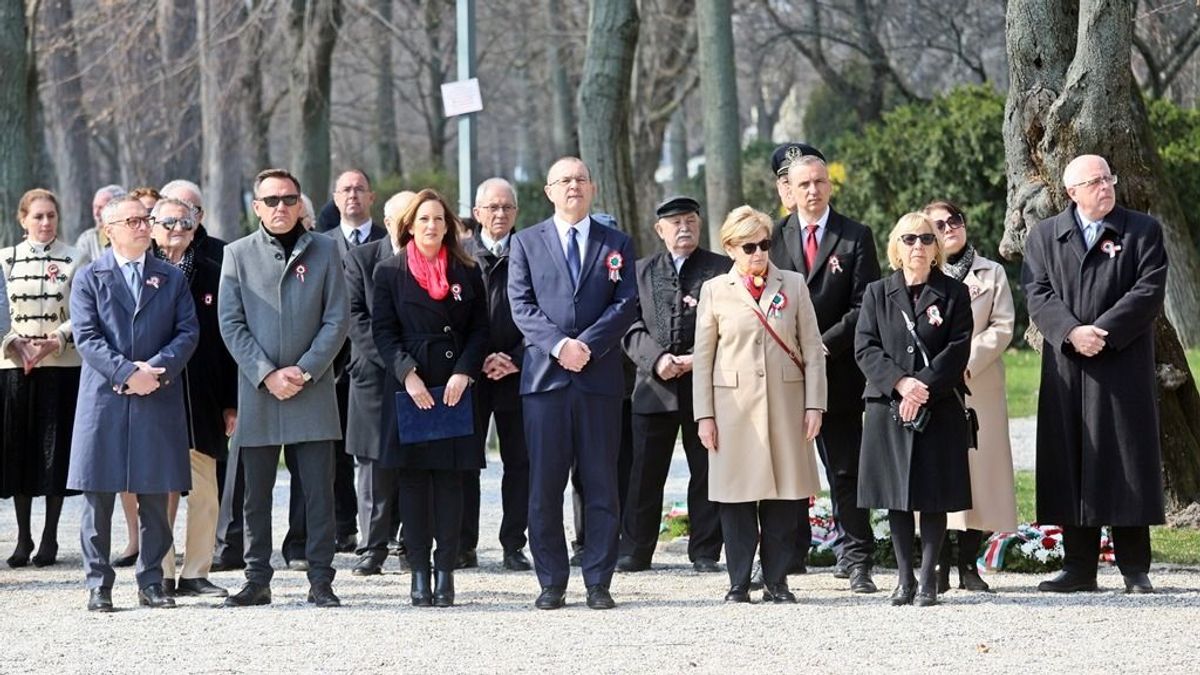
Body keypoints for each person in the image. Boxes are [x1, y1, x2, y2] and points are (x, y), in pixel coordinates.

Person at [1023, 154, 1168, 595]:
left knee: (1127, 460)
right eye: (1095, 181)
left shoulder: (1142, 229)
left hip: (1121, 363)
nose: (1106, 186)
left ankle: (1134, 567)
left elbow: (1148, 289)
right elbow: (1036, 291)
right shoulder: (1045, 235)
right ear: (1072, 193)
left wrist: (1102, 332)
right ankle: (1079, 567)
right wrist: (1070, 332)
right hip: (1069, 366)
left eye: (1109, 178)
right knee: (1072, 460)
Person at [507, 157, 638, 610]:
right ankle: (552, 581)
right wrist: (561, 346)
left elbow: (625, 304)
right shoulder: (525, 242)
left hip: (599, 380)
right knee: (545, 485)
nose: (573, 187)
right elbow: (520, 306)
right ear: (548, 190)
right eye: (564, 180)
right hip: (545, 383)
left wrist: (588, 345)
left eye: (580, 180)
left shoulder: (616, 243)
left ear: (593, 188)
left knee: (601, 482)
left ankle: (598, 579)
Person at [218, 168, 349, 608]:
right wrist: (267, 373)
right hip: (258, 392)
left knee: (318, 493)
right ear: (256, 207)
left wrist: (306, 370)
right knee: (255, 494)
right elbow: (230, 323)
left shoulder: (327, 251)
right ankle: (257, 578)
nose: (280, 207)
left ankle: (320, 578)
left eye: (288, 199)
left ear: (300, 203)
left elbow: (337, 319)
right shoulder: (236, 255)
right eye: (270, 200)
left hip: (312, 390)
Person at [66, 195, 199, 611]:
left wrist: (155, 370)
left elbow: (187, 332)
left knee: (155, 492)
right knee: (98, 495)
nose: (144, 226)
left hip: (157, 394)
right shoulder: (89, 277)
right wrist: (127, 373)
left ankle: (152, 581)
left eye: (147, 219)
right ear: (110, 229)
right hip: (105, 399)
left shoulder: (171, 277)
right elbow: (87, 337)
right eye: (134, 220)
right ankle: (98, 584)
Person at [693, 205, 826, 604]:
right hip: (733, 410)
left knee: (784, 497)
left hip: (786, 405)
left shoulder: (793, 285)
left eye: (765, 244)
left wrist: (815, 404)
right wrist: (705, 415)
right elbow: (703, 358)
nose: (758, 253)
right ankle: (737, 581)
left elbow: (813, 350)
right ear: (731, 248)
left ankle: (777, 580)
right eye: (749, 246)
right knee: (735, 498)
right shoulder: (715, 290)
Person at [770, 151, 881, 592]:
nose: (812, 190)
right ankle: (786, 555)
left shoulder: (855, 236)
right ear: (789, 192)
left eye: (819, 182)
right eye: (803, 185)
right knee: (785, 466)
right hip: (783, 373)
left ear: (829, 184)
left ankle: (855, 558)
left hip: (837, 372)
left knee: (844, 469)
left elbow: (864, 303)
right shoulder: (772, 238)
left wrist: (820, 343)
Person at [372, 189, 489, 607]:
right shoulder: (389, 271)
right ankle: (418, 571)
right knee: (414, 481)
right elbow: (382, 332)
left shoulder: (467, 270)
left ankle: (446, 572)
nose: (432, 226)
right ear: (409, 225)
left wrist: (465, 371)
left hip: (455, 385)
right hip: (412, 387)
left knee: (451, 481)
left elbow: (480, 329)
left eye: (439, 219)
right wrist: (407, 375)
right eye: (423, 219)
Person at [855, 212, 973, 607]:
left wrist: (923, 385)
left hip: (937, 406)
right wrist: (901, 383)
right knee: (897, 497)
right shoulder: (876, 292)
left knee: (933, 496)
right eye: (909, 240)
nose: (918, 247)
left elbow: (959, 347)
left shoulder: (954, 293)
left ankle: (927, 580)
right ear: (896, 247)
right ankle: (903, 579)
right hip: (888, 405)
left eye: (925, 239)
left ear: (936, 248)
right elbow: (865, 347)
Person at [617, 196, 727, 574]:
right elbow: (628, 326)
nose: (684, 228)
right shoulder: (640, 272)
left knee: (706, 469)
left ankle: (705, 551)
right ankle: (635, 549)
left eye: (691, 221)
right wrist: (658, 359)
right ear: (659, 229)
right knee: (645, 471)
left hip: (705, 386)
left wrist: (699, 358)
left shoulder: (721, 269)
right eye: (675, 222)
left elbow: (732, 324)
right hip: (653, 386)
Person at [923, 200, 1018, 593]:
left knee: (981, 474)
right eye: (939, 225)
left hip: (978, 382)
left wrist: (967, 360)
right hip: (936, 386)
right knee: (939, 472)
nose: (949, 229)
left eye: (954, 220)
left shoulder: (991, 272)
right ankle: (938, 565)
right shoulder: (922, 272)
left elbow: (1003, 325)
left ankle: (968, 564)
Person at [150, 198, 237, 598]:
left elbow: (228, 339)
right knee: (156, 489)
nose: (175, 229)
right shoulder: (142, 269)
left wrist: (231, 400)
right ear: (151, 226)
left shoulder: (214, 270)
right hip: (153, 394)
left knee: (204, 489)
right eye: (166, 222)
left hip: (203, 395)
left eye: (183, 222)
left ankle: (196, 572)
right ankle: (160, 572)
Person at [1, 189, 86, 569]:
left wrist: (55, 341)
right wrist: (13, 343)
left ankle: (51, 535)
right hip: (14, 366)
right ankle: (23, 537)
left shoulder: (74, 257)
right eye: (38, 216)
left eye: (51, 215)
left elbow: (83, 309)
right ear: (23, 220)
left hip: (60, 365)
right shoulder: (5, 260)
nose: (46, 222)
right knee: (19, 448)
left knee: (54, 453)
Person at [460, 177, 533, 572]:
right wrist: (478, 359)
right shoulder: (461, 256)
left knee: (519, 462)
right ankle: (464, 543)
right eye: (492, 208)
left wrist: (516, 357)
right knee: (467, 461)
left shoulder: (531, 252)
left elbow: (543, 312)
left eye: (506, 207)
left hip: (518, 372)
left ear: (516, 212)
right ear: (477, 214)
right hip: (472, 375)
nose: (500, 214)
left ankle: (513, 543)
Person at [345, 190, 415, 576]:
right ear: (386, 222)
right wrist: (399, 363)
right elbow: (355, 318)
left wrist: (417, 367)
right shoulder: (361, 258)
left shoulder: (431, 260)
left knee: (414, 462)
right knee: (373, 466)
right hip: (374, 376)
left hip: (420, 377)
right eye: (402, 220)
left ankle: (410, 543)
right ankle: (372, 547)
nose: (409, 227)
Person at [159, 179, 228, 265]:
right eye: (176, 206)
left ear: (200, 216)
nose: (184, 213)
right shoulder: (144, 251)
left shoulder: (223, 253)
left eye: (192, 209)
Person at [74, 185, 125, 263]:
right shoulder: (87, 240)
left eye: (101, 208)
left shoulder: (132, 234)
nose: (96, 213)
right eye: (95, 207)